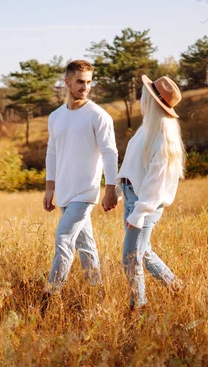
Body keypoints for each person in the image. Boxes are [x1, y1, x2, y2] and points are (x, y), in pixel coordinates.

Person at [42, 59, 118, 310]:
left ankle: (49, 297)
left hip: (85, 192)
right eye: (80, 82)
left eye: (88, 82)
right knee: (86, 246)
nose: (85, 87)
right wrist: (50, 188)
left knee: (64, 239)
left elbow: (110, 153)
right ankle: (96, 295)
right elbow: (52, 152)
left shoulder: (98, 115)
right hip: (63, 190)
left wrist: (110, 189)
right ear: (67, 82)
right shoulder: (56, 117)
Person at [116, 75, 186, 311]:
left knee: (130, 258)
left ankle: (139, 308)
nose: (140, 99)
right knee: (142, 252)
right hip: (132, 197)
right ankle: (175, 286)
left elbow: (157, 182)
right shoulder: (147, 127)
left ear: (153, 100)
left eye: (145, 95)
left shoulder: (164, 136)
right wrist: (117, 190)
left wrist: (139, 213)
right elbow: (131, 163)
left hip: (145, 204)